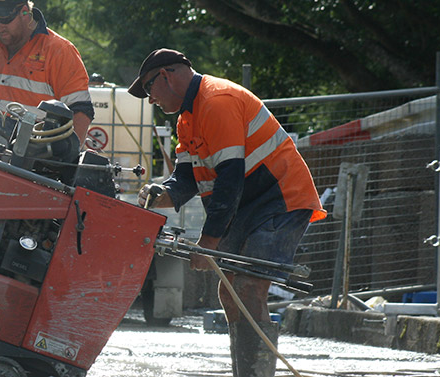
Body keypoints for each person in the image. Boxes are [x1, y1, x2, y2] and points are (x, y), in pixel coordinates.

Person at [131, 49, 326, 377]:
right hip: (249, 204)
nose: (150, 100)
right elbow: (187, 178)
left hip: (279, 199)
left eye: (149, 89)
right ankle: (248, 371)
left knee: (249, 289)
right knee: (231, 290)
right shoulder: (187, 118)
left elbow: (230, 179)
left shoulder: (217, 101)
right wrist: (160, 193)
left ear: (166, 75)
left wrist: (208, 243)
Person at [0, 0, 94, 142]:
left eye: (5, 19)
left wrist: (70, 153)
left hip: (33, 149)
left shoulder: (59, 50)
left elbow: (81, 110)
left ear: (24, 11)